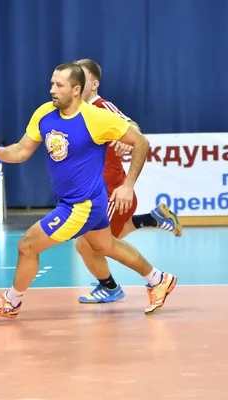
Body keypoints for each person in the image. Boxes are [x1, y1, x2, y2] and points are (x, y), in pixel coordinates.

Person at [0, 63, 177, 318]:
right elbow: (22, 150)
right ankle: (158, 279)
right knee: (107, 245)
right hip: (83, 199)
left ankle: (11, 301)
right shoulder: (44, 113)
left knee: (28, 246)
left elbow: (141, 142)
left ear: (76, 90)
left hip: (82, 205)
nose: (52, 90)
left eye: (59, 85)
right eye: (52, 83)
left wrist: (128, 185)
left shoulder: (96, 118)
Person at [73, 59, 182, 304]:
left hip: (109, 189)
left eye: (83, 76)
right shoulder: (77, 110)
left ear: (94, 83)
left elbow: (132, 125)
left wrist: (129, 135)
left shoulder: (102, 106)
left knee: (88, 244)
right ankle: (153, 219)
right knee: (111, 235)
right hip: (92, 190)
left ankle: (133, 283)